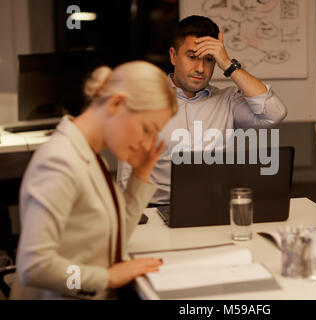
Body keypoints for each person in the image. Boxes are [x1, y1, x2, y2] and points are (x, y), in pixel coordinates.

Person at [10, 61, 178, 299]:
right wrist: (106, 279)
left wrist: (141, 174)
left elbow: (116, 237)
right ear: (116, 103)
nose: (149, 144)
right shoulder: (59, 161)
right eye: (147, 129)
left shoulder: (91, 154)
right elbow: (34, 267)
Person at [117, 15, 288, 204]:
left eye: (209, 59)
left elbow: (273, 114)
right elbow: (127, 173)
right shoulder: (144, 101)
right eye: (192, 57)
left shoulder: (228, 100)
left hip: (215, 205)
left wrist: (228, 64)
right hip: (158, 208)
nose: (200, 68)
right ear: (173, 56)